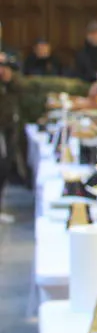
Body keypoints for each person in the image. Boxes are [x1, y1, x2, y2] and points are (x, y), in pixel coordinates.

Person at [0, 51, 22, 224]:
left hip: (8, 126)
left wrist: (9, 77)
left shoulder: (12, 83)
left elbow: (20, 88)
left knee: (5, 166)